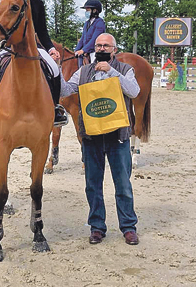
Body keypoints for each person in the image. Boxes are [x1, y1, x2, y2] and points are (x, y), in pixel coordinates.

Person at [55, 32, 140, 245]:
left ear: (114, 50)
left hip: (117, 136)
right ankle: (97, 227)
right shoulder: (83, 71)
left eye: (106, 46)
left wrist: (112, 73)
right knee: (92, 184)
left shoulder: (125, 69)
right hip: (91, 136)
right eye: (98, 46)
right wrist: (56, 68)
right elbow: (65, 90)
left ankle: (128, 226)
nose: (101, 49)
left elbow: (135, 92)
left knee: (123, 184)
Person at [74, 0, 106, 65]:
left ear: (94, 10)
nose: (86, 12)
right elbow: (83, 38)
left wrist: (83, 50)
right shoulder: (86, 23)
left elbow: (94, 40)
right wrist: (76, 50)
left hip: (95, 51)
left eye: (88, 10)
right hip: (87, 50)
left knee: (93, 64)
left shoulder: (100, 23)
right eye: (86, 10)